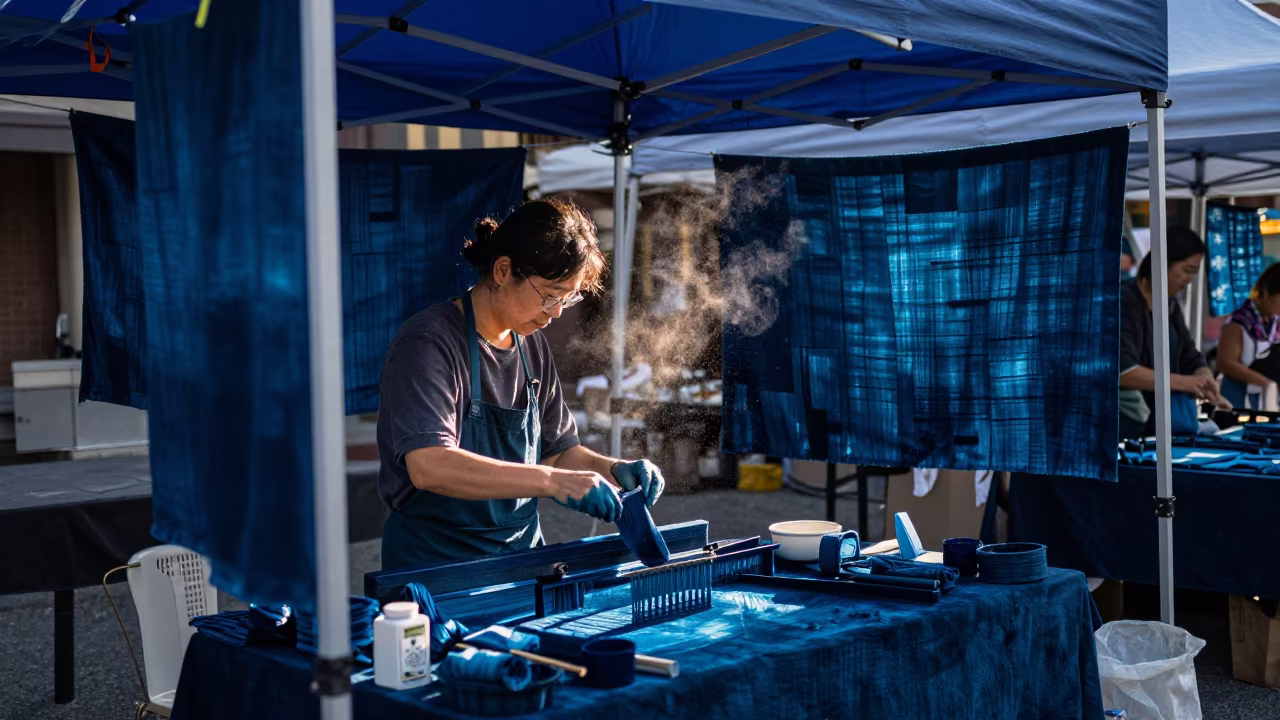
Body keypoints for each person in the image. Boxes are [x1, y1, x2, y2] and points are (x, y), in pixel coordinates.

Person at [376, 198, 666, 569]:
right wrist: (552, 482)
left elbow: (558, 452)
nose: (557, 312)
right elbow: (430, 464)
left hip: (523, 561)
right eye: (549, 294)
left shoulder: (532, 346)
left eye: (568, 298)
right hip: (437, 567)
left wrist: (613, 468)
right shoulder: (428, 344)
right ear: (502, 271)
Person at [1118, 226, 1229, 439]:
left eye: (1194, 274)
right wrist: (1188, 383)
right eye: (1187, 270)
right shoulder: (1122, 302)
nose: (1189, 280)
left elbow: (1190, 354)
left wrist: (1204, 377)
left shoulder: (1169, 305)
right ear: (1162, 262)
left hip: (1162, 427)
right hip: (1125, 429)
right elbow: (1125, 371)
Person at [1216, 264, 1280, 410]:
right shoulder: (1238, 323)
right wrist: (1265, 382)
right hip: (1236, 401)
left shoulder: (1274, 324)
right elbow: (1225, 363)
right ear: (1265, 292)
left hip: (1266, 402)